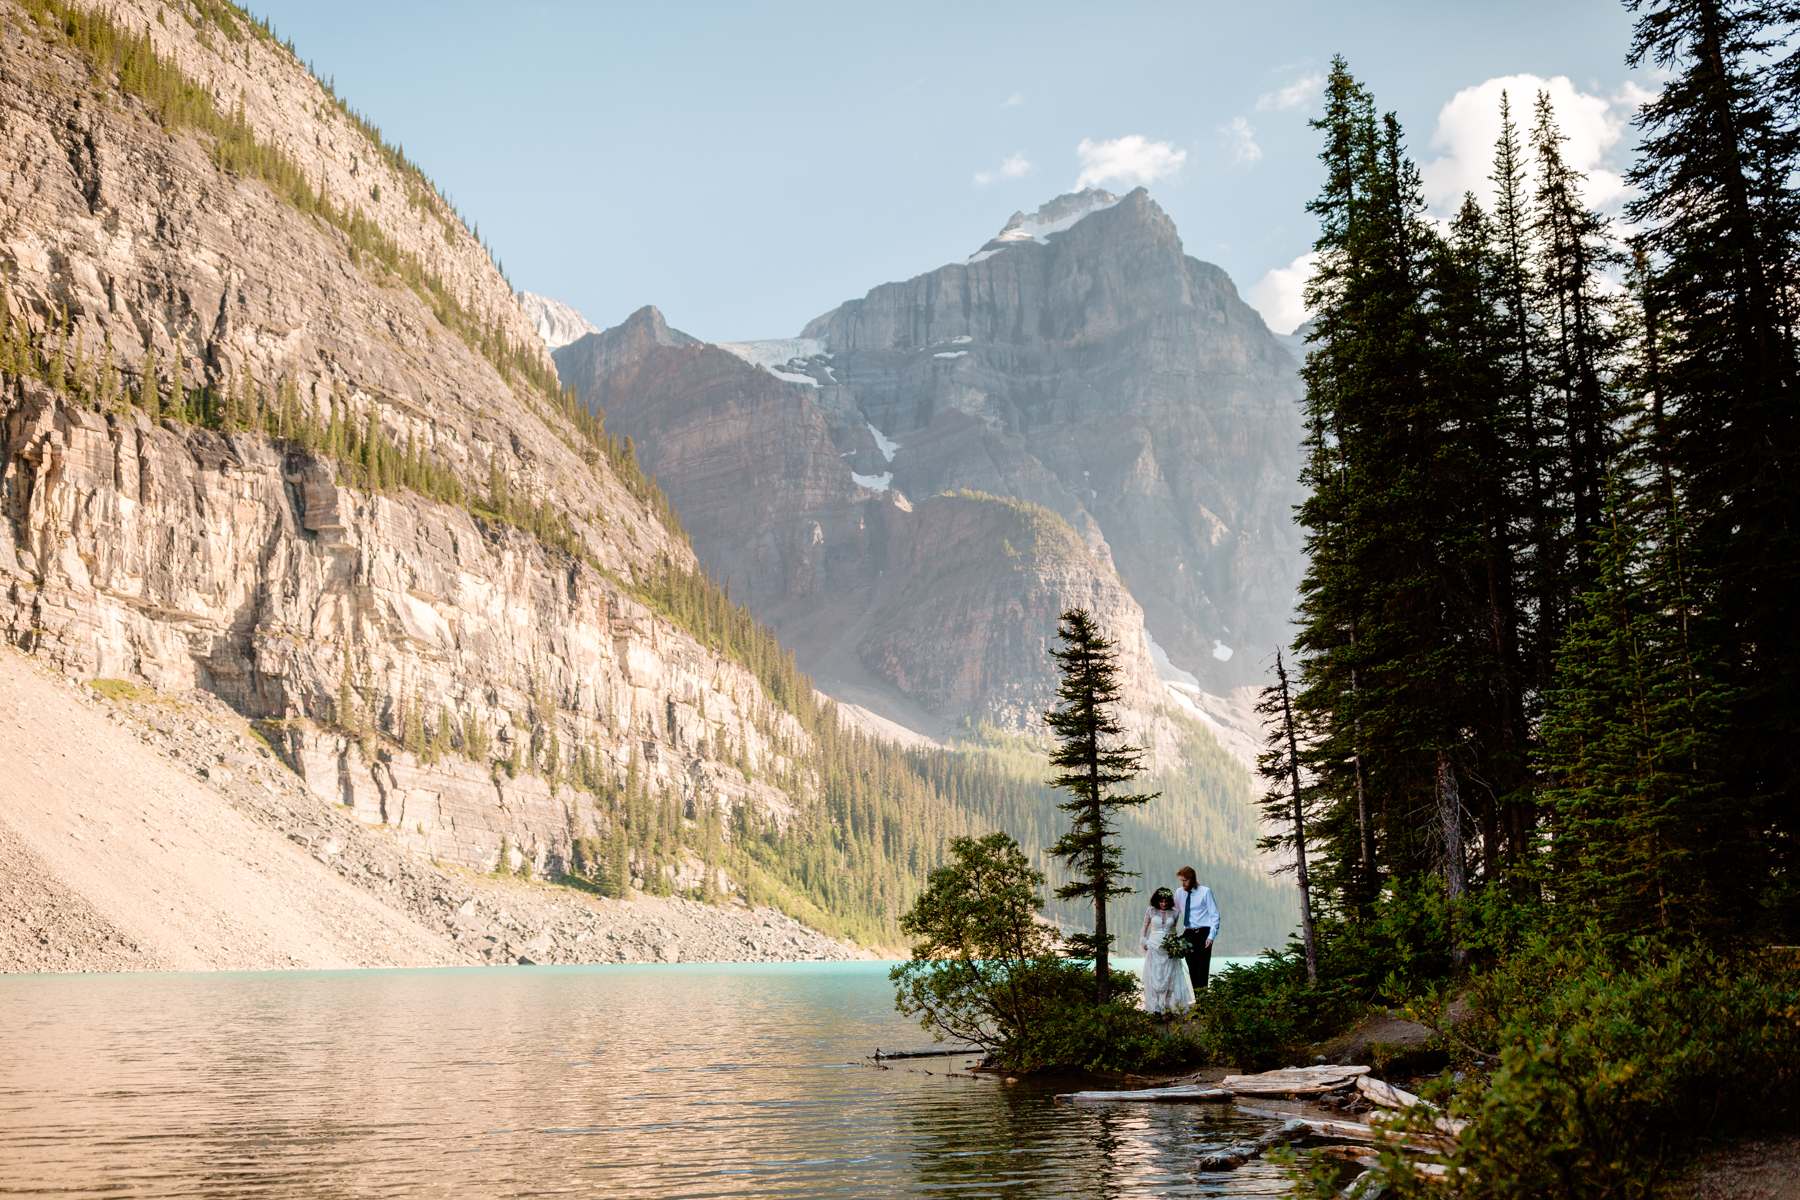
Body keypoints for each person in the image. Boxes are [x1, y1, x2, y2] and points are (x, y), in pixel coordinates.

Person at [1138, 886, 1195, 1016]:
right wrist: (1143, 940)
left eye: (1166, 901)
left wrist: (1176, 945)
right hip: (1154, 947)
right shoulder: (1151, 911)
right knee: (1154, 977)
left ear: (1169, 901)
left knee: (1170, 978)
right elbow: (1144, 927)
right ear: (1157, 900)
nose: (1163, 904)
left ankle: (1168, 1007)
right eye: (1161, 901)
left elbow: (1173, 931)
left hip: (1169, 950)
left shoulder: (1175, 912)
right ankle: (1156, 1008)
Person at [1174, 866, 1220, 991]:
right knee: (1192, 968)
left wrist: (1211, 936)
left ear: (1192, 879)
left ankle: (1204, 1003)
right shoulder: (1179, 892)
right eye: (1181, 881)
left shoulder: (1205, 891)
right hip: (1188, 933)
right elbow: (1175, 912)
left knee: (1202, 968)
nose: (1183, 883)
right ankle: (1199, 1003)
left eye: (1185, 881)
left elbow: (1214, 915)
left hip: (1204, 933)